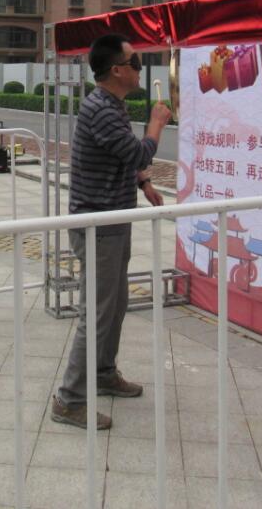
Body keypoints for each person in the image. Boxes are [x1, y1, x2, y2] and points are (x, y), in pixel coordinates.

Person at [52, 34, 172, 430]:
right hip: (98, 225)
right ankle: (69, 399)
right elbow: (137, 151)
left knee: (115, 305)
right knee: (97, 313)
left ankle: (103, 373)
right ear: (117, 70)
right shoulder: (101, 109)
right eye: (135, 62)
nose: (140, 68)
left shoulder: (112, 105)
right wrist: (156, 125)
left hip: (113, 219)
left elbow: (122, 158)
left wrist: (143, 183)